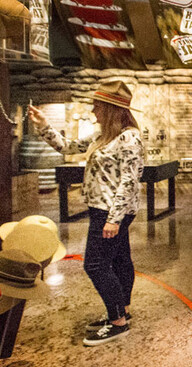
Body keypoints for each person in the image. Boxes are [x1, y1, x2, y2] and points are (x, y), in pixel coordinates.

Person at [27, 80, 145, 347]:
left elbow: (129, 180)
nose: (93, 111)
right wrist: (44, 125)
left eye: (97, 106)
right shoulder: (102, 136)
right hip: (103, 209)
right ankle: (121, 311)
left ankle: (117, 323)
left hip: (112, 212)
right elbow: (68, 147)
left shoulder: (129, 137)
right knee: (119, 260)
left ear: (111, 109)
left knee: (95, 265)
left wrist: (114, 219)